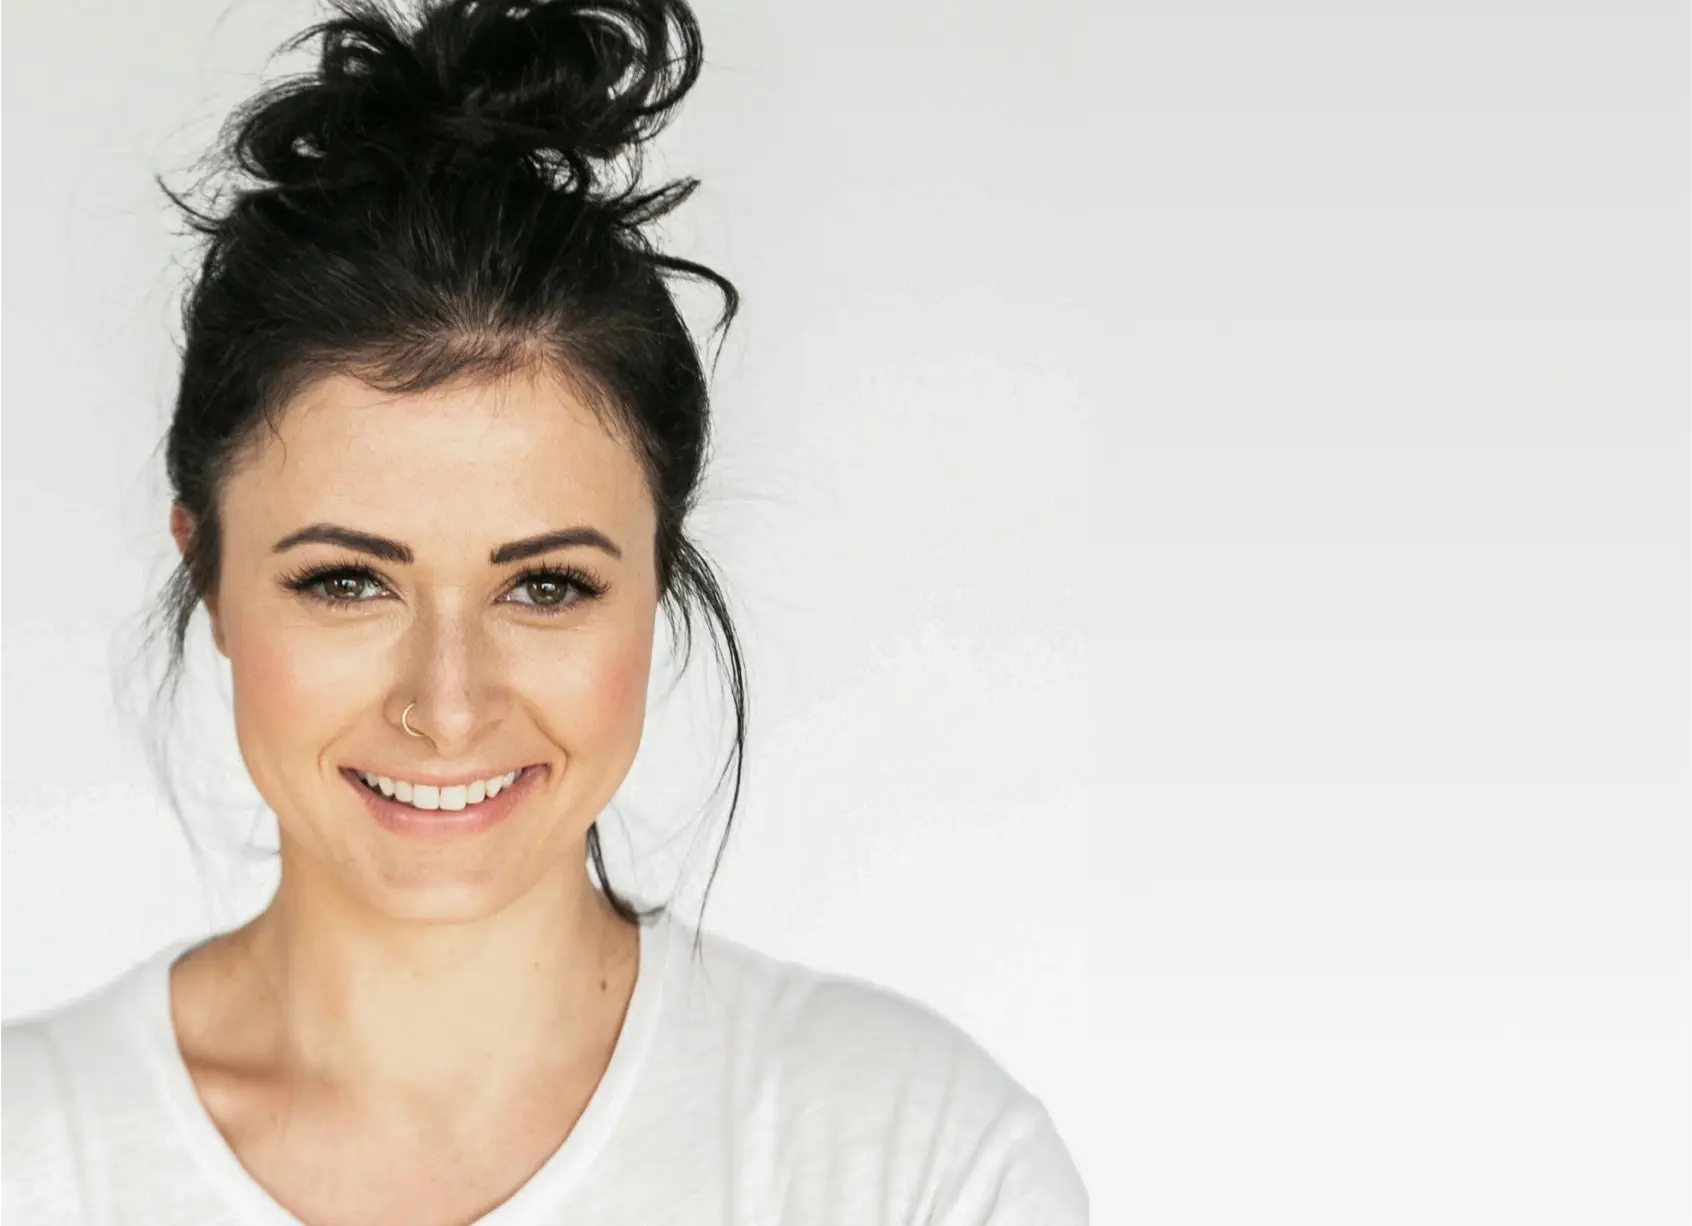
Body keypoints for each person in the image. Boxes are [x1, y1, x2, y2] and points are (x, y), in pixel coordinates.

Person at [0, 0, 1088, 1222]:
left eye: (546, 585)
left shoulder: (913, 1160)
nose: (448, 705)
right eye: (348, 579)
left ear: (660, 578)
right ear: (209, 575)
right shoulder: (30, 1155)